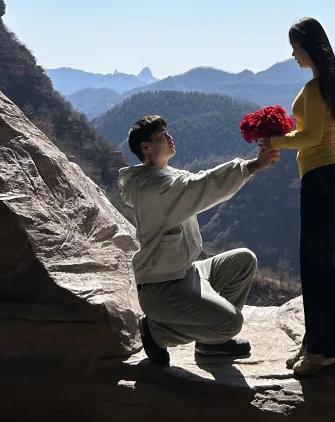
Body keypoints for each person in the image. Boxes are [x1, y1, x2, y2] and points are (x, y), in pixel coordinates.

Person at [118, 113, 279, 368]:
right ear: (146, 147)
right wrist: (253, 166)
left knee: (244, 260)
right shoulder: (153, 187)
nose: (170, 138)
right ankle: (157, 333)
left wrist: (254, 163)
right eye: (162, 136)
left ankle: (212, 343)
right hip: (163, 287)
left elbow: (199, 179)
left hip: (188, 272)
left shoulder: (165, 174)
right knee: (231, 323)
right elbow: (200, 186)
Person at [266, 16, 335, 377]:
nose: (292, 54)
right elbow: (314, 131)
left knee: (317, 267)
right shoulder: (329, 84)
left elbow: (311, 137)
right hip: (334, 178)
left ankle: (328, 350)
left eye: (295, 47)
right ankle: (318, 342)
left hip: (322, 180)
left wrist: (274, 140)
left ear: (309, 47)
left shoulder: (317, 88)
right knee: (326, 266)